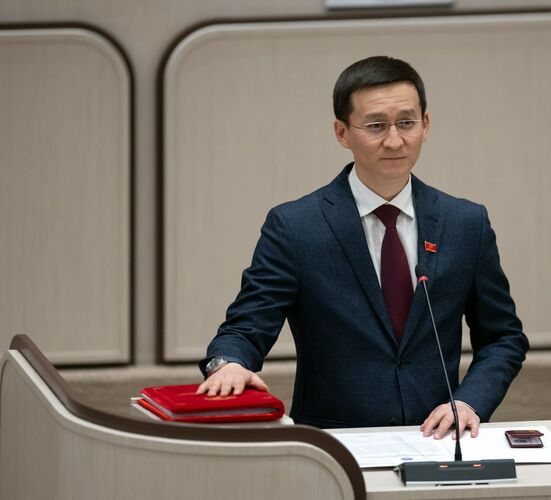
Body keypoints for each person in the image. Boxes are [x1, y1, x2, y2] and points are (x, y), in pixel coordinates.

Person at [197, 56, 528, 440]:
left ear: (425, 125)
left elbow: (503, 337)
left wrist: (469, 402)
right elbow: (246, 325)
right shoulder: (296, 226)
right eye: (375, 126)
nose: (394, 140)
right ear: (342, 133)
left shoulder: (465, 223)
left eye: (407, 122)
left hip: (438, 439)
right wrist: (228, 363)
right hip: (334, 443)